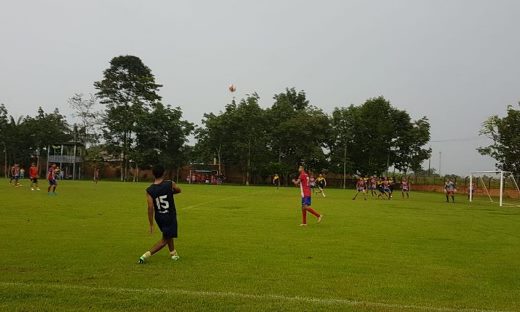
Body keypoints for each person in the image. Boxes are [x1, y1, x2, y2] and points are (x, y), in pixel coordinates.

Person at [138, 164, 181, 264]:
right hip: (169, 215)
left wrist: (151, 223)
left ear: (153, 174)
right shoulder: (170, 183)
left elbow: (150, 207)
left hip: (159, 217)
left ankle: (173, 254)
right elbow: (179, 190)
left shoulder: (149, 190)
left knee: (168, 234)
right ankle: (145, 256)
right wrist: (170, 193)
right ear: (164, 173)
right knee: (165, 239)